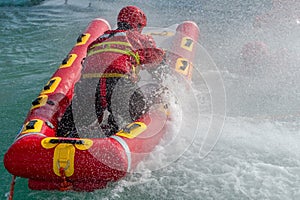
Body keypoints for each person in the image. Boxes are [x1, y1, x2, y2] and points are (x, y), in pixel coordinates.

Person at [57, 6, 165, 137]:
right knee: (141, 114)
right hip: (118, 84)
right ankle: (113, 133)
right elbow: (156, 60)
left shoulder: (100, 39)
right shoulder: (139, 38)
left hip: (88, 87)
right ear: (137, 25)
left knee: (69, 126)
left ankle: (61, 138)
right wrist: (164, 81)